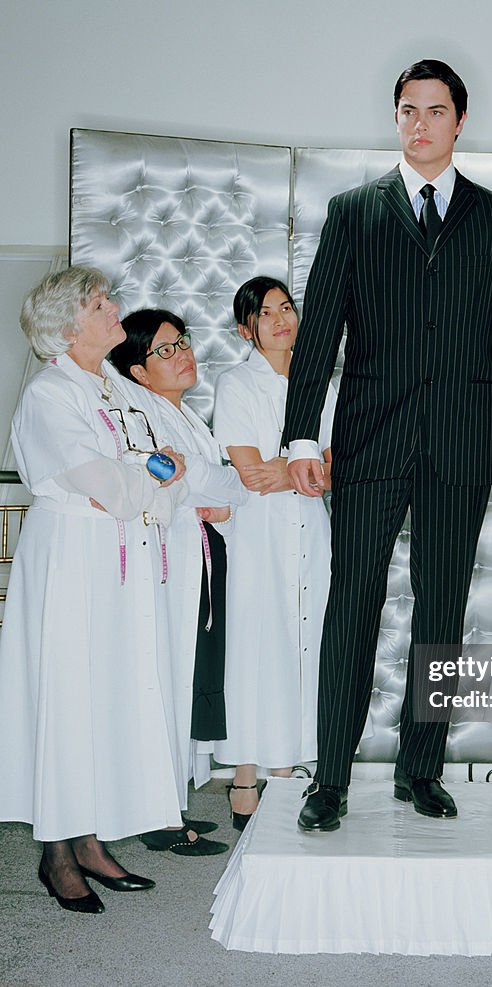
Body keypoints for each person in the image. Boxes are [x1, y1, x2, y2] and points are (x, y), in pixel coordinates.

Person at [281, 59, 492, 831]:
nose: (420, 124)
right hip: (367, 441)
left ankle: (419, 771)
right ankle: (328, 778)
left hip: (460, 445)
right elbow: (320, 332)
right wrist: (302, 433)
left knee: (441, 614)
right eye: (407, 111)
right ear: (395, 119)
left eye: (434, 110)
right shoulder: (352, 211)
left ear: (461, 121)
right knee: (351, 606)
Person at [0, 267, 193, 912]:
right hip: (73, 560)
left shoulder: (112, 384)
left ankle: (90, 839)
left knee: (105, 692)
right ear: (70, 324)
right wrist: (149, 476)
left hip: (121, 559)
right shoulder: (52, 393)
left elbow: (166, 457)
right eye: (101, 303)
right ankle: (57, 853)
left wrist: (148, 474)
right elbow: (107, 483)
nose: (116, 310)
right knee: (66, 693)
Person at [110, 309, 247, 820]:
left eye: (182, 342)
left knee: (188, 677)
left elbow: (227, 487)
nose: (182, 354)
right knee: (164, 679)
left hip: (201, 559)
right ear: (138, 373)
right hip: (168, 566)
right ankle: (159, 813)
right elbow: (194, 482)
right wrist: (215, 487)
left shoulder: (188, 418)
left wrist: (220, 493)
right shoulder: (143, 416)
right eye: (164, 350)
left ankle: (172, 807)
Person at [212, 277, 336, 829]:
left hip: (312, 527)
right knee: (256, 645)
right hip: (258, 533)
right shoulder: (236, 383)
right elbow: (249, 472)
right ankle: (245, 774)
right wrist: (299, 471)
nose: (282, 319)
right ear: (247, 329)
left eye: (287, 307)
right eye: (267, 313)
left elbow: (337, 465)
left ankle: (286, 772)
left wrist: (291, 470)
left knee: (304, 643)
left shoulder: (322, 384)